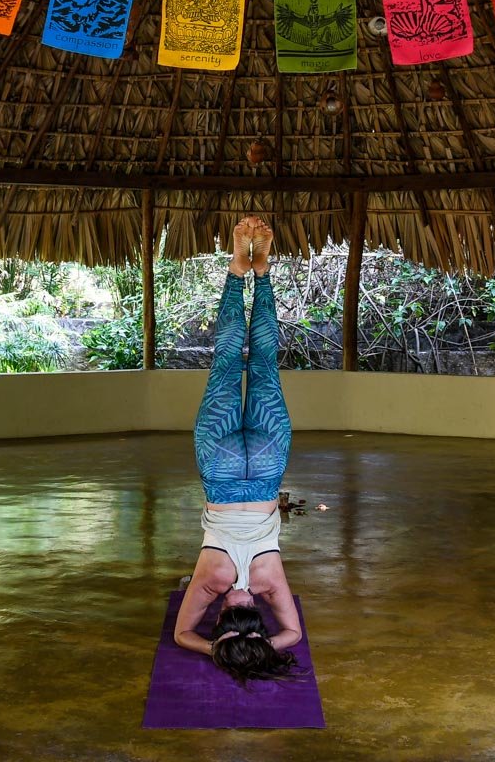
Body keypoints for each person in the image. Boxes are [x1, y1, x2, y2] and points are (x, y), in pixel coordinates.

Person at [173, 216, 302, 683]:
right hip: (220, 468)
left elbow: (294, 635)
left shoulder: (270, 583)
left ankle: (262, 271)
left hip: (266, 466)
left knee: (265, 363)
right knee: (227, 362)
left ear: (256, 623)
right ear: (223, 618)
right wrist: (218, 647)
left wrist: (260, 644)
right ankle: (236, 269)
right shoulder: (211, 582)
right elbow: (182, 637)